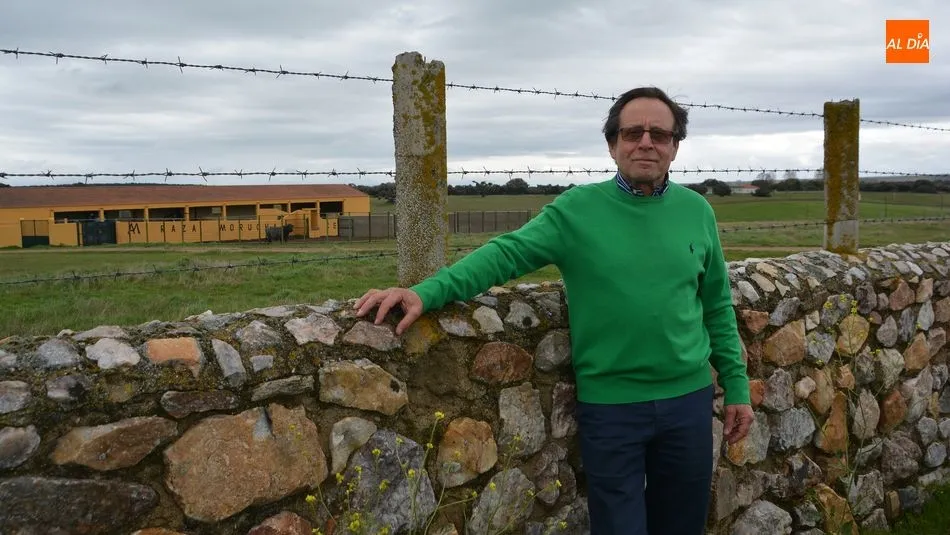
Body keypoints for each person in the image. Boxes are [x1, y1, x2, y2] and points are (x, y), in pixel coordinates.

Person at [354, 86, 754, 535]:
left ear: (675, 145)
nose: (646, 142)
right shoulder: (577, 210)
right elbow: (506, 254)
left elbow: (717, 305)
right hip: (612, 409)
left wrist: (736, 386)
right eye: (633, 132)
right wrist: (426, 292)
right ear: (612, 144)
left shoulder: (697, 211)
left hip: (689, 403)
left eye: (659, 133)